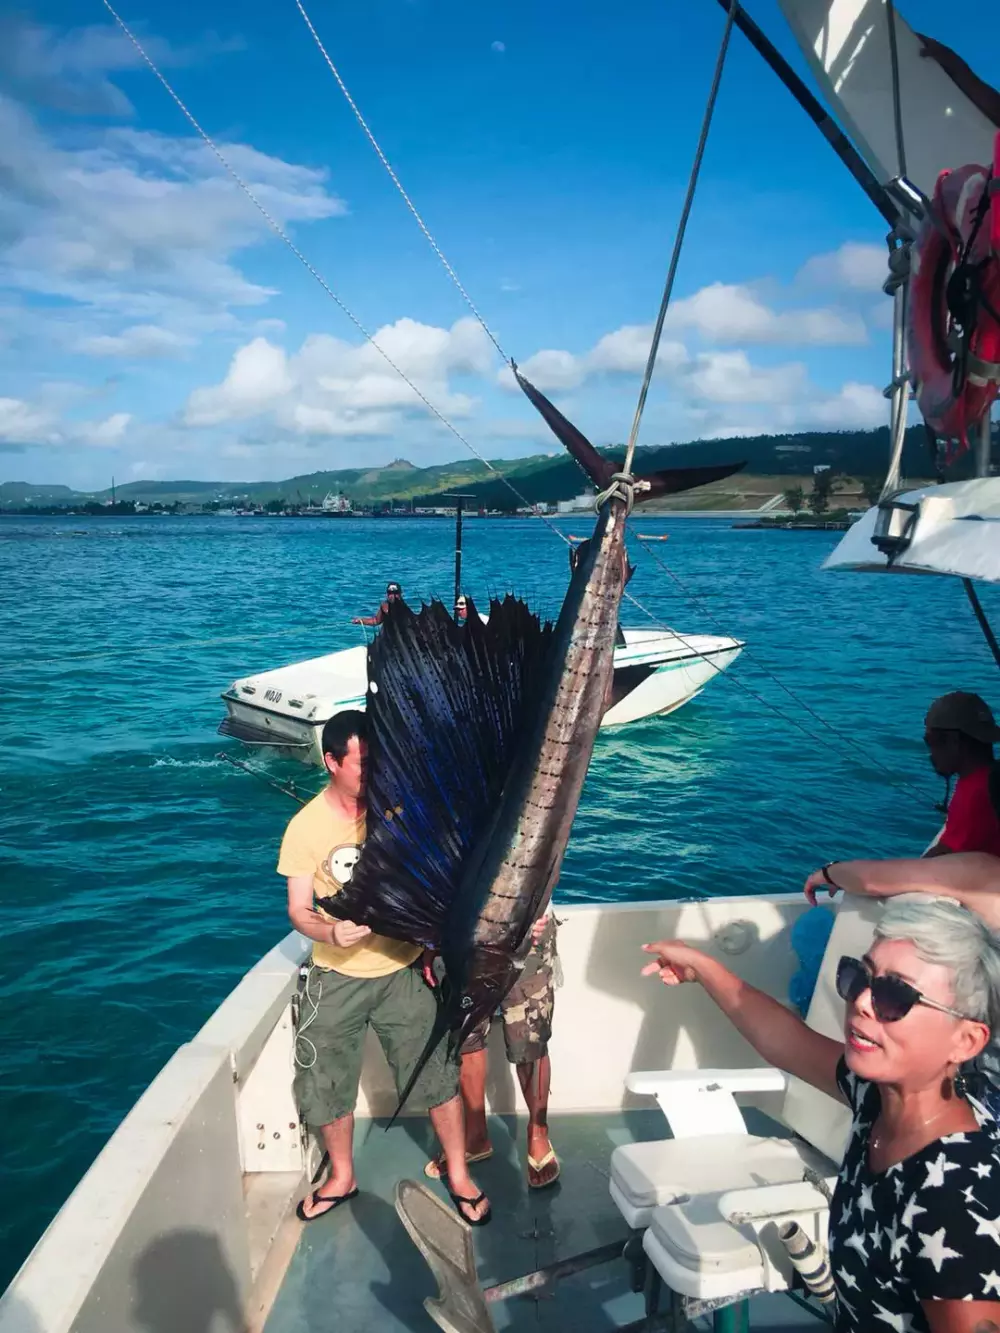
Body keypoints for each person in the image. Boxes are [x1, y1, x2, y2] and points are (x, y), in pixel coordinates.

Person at [643, 896, 1000, 1332]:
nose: (863, 1001)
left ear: (965, 1041)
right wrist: (702, 968)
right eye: (860, 977)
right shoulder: (879, 1098)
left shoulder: (953, 1196)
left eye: (895, 995)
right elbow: (788, 1043)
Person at [277, 709, 490, 1225]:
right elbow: (298, 909)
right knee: (327, 1080)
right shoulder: (303, 827)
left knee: (437, 1076)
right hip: (337, 973)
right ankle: (342, 1176)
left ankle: (459, 1174)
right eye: (363, 764)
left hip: (403, 970)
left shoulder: (398, 811)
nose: (373, 774)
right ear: (331, 762)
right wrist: (331, 932)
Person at [423, 913, 561, 1190]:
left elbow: (545, 869)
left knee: (529, 1038)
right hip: (458, 935)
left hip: (527, 930)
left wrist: (534, 904)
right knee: (465, 1035)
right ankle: (475, 1137)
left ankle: (538, 1132)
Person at [923, 692, 1000, 857]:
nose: (930, 753)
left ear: (954, 741)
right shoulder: (986, 777)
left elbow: (949, 856)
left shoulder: (976, 794)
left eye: (930, 741)